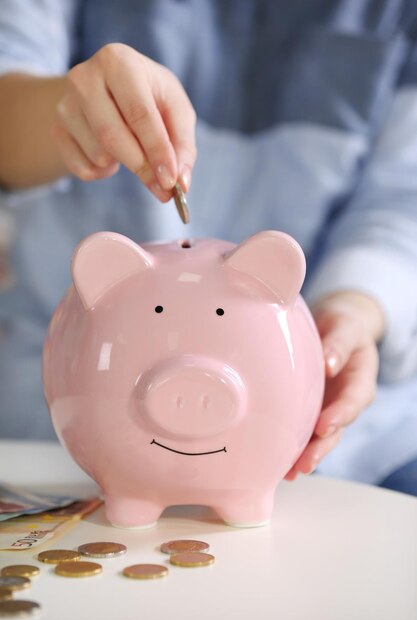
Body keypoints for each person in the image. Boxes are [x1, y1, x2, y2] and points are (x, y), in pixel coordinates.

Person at [0, 0, 417, 494]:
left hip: (336, 424)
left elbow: (401, 199)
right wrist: (71, 111)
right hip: (68, 421)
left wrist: (352, 312)